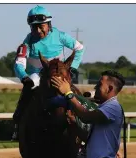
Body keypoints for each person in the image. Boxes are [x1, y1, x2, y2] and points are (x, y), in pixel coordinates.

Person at [12, 5, 84, 140]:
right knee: (30, 88)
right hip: (37, 76)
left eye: (41, 26)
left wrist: (72, 68)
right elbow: (18, 64)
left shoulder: (61, 36)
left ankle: (85, 125)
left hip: (58, 74)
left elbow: (80, 48)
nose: (38, 30)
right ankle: (18, 124)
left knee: (76, 93)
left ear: (49, 24)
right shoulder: (27, 42)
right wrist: (24, 78)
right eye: (34, 27)